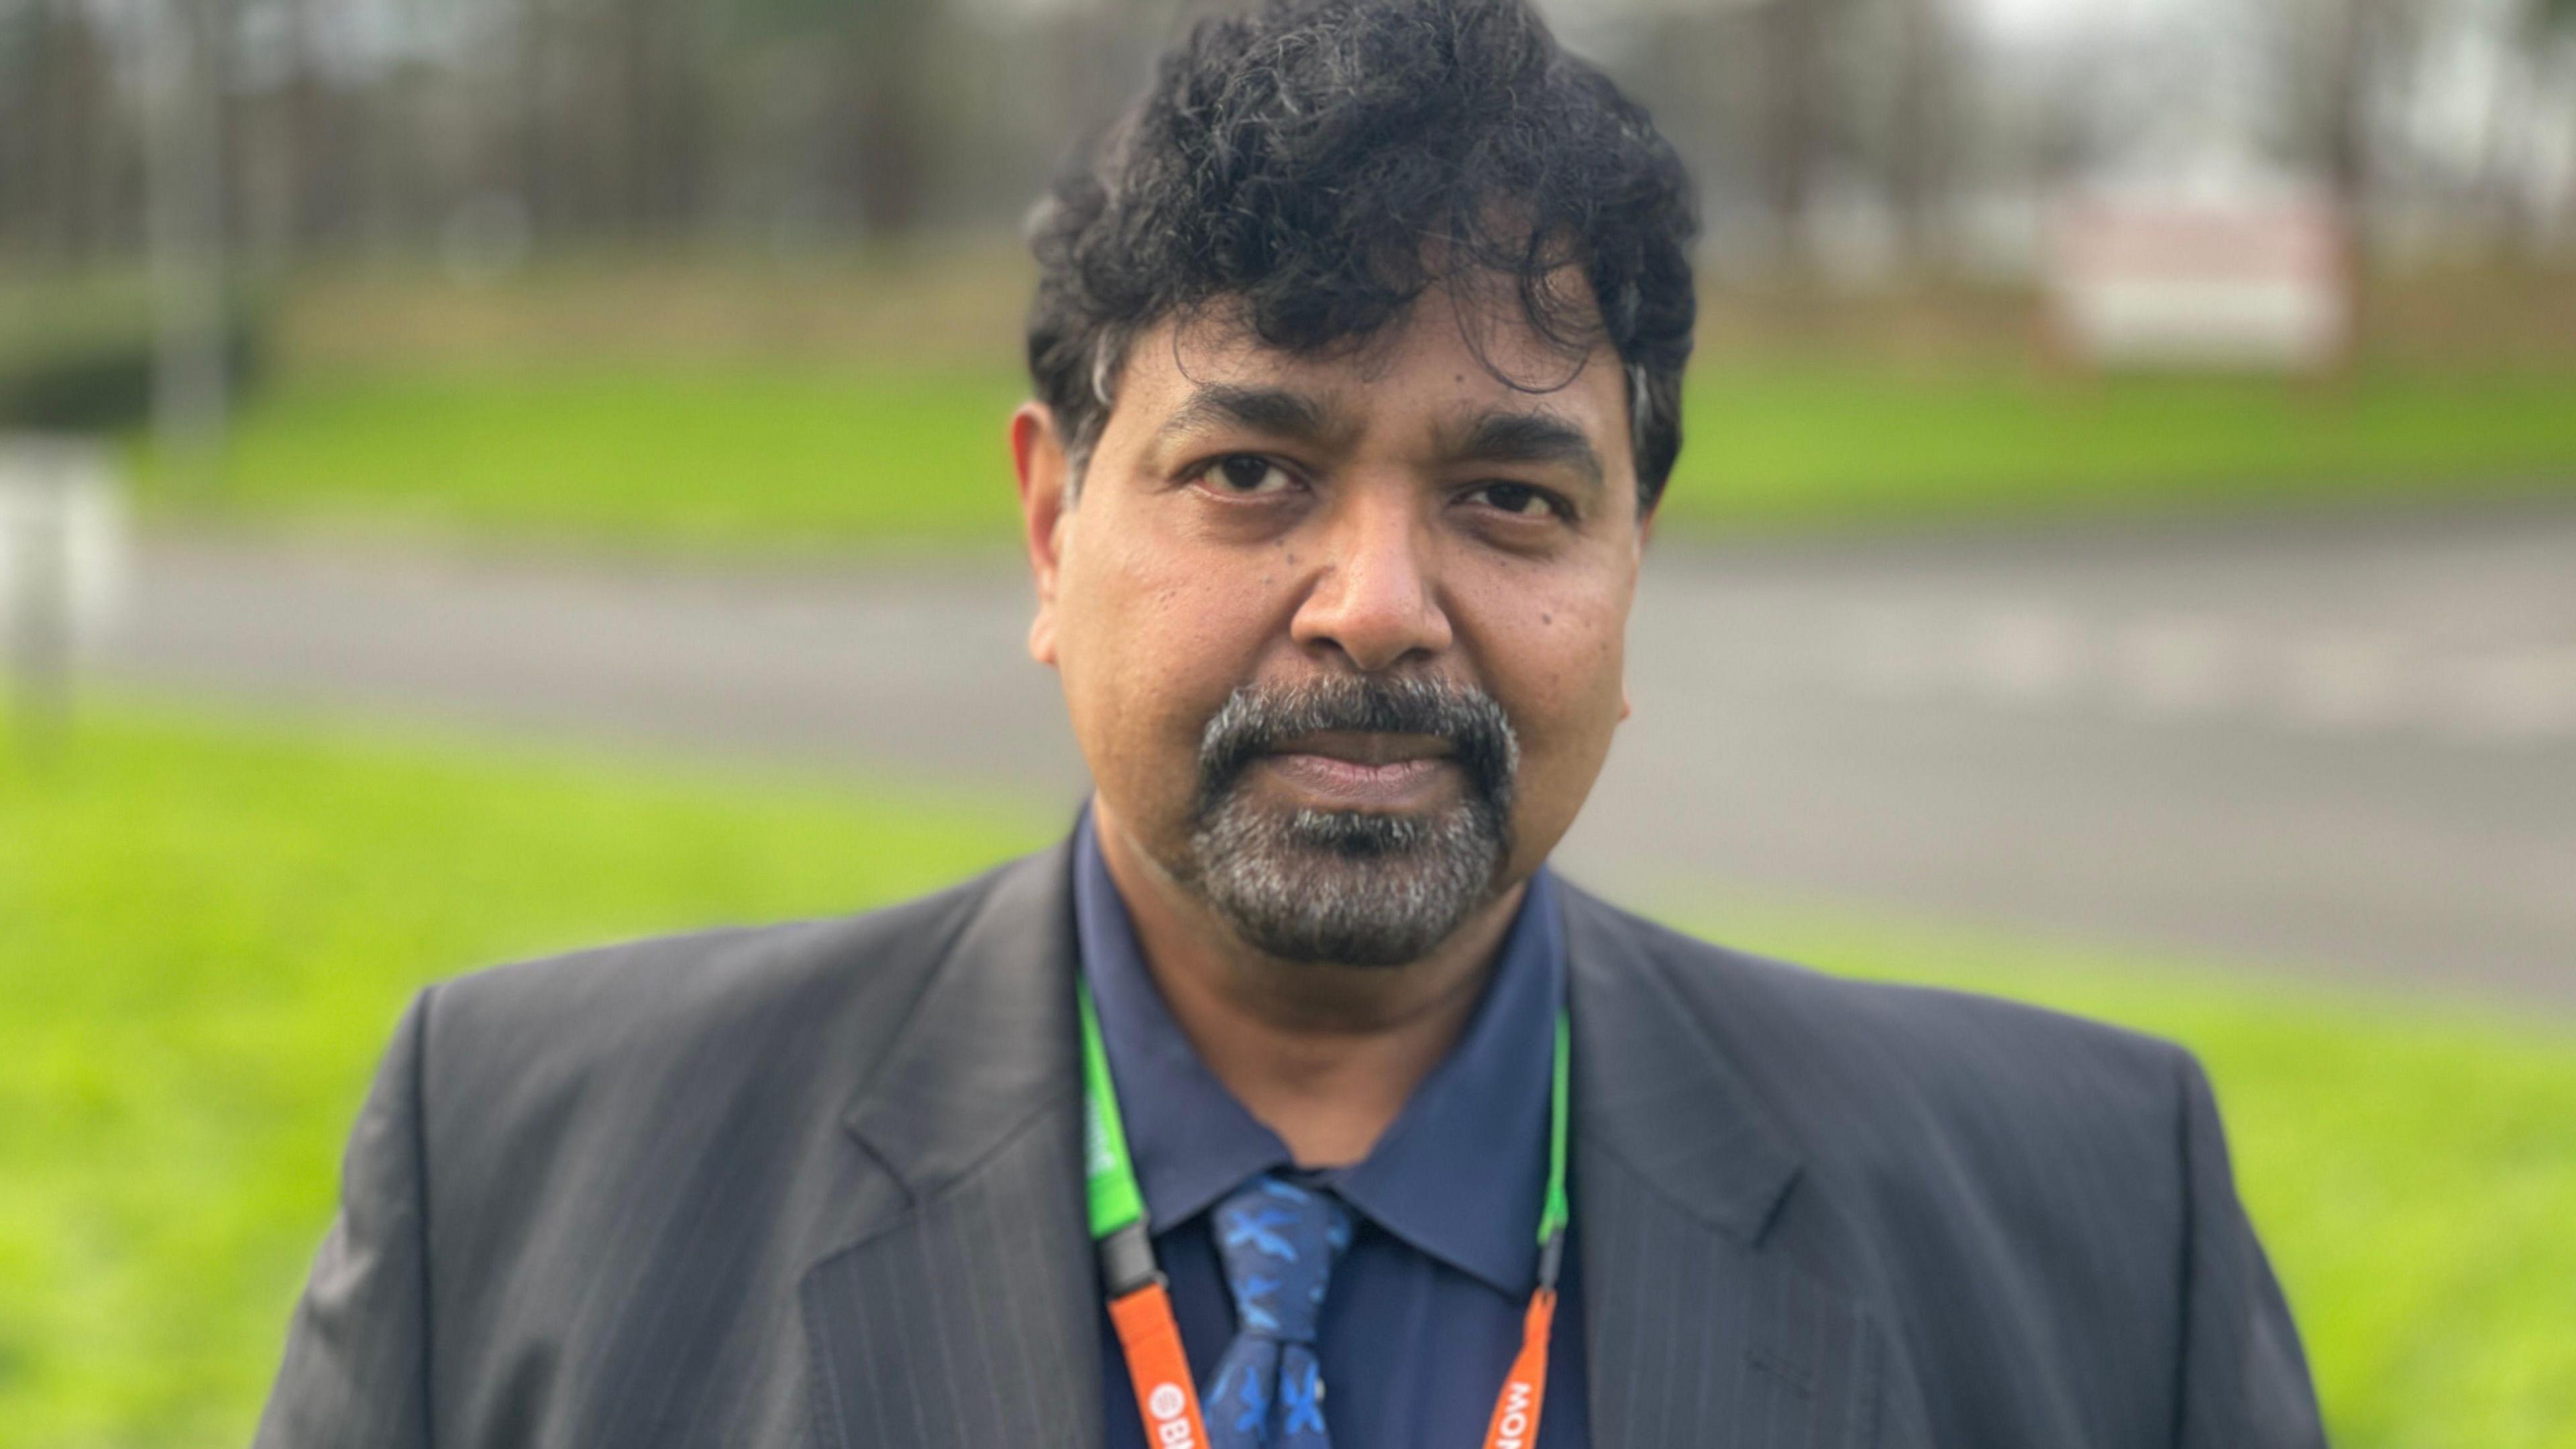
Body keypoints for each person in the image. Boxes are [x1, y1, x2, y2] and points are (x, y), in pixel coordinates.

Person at [252, 0, 2328, 1445]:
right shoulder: (524, 1182)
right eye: (1252, 471)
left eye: (1512, 496)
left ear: (1631, 567)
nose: (1378, 607)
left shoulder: (2086, 1229)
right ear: (1053, 526)